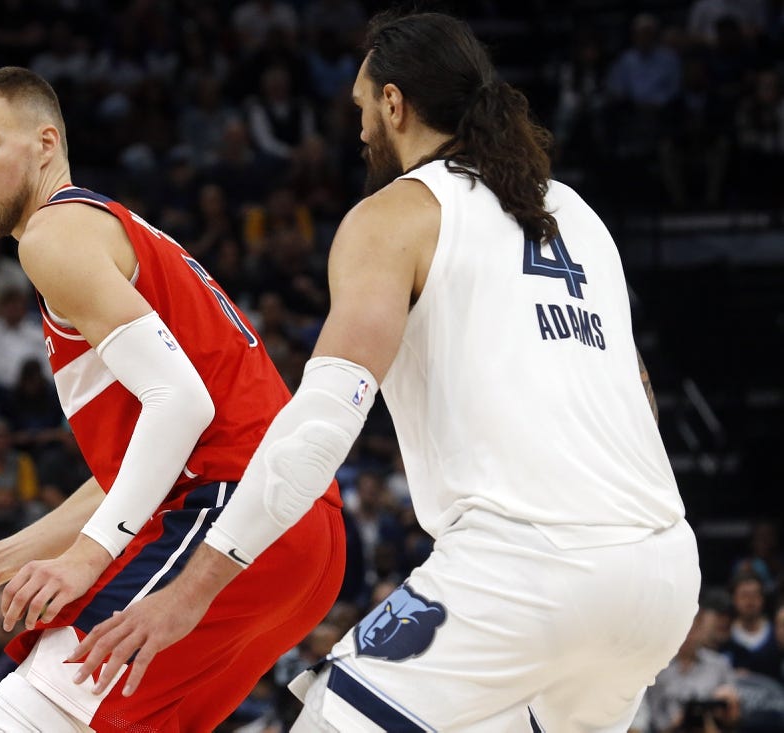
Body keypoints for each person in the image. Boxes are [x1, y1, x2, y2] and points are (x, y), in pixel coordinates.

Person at [71, 11, 701, 731]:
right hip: (662, 573)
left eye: (364, 107)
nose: (362, 127)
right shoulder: (579, 216)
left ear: (395, 103)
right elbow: (640, 400)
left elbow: (321, 424)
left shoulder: (396, 215)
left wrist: (190, 591)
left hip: (527, 567)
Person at [0, 66, 345, 732]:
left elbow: (182, 406)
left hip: (228, 512)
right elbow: (147, 459)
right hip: (293, 533)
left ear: (45, 143)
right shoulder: (113, 233)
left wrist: (86, 557)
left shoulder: (53, 235)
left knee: (21, 719)